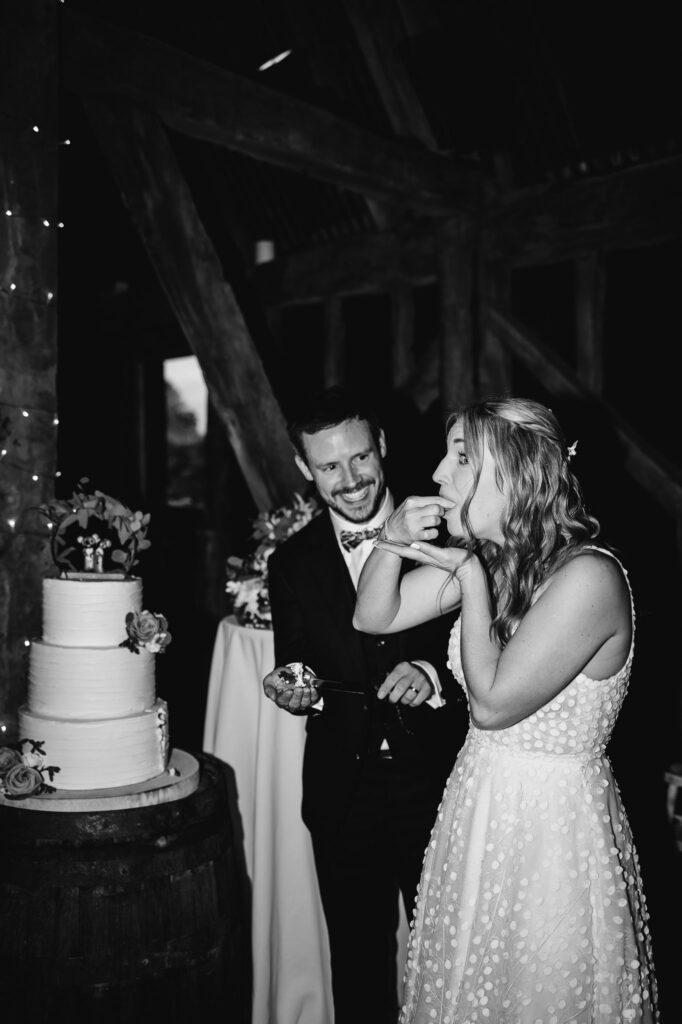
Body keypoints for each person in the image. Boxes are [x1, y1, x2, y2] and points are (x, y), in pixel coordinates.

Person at [354, 396, 659, 1023]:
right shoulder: (499, 561)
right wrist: (389, 541)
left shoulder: (589, 579)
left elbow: (493, 705)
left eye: (461, 458)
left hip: (552, 832)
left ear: (516, 472)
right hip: (481, 806)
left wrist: (468, 578)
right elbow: (373, 615)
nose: (438, 474)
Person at [262, 386, 467, 1024]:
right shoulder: (291, 563)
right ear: (305, 469)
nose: (349, 480)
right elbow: (297, 658)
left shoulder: (449, 527)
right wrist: (289, 685)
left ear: (381, 445)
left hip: (435, 779)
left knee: (449, 956)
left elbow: (489, 642)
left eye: (359, 458)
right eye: (328, 466)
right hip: (340, 789)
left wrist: (432, 672)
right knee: (356, 962)